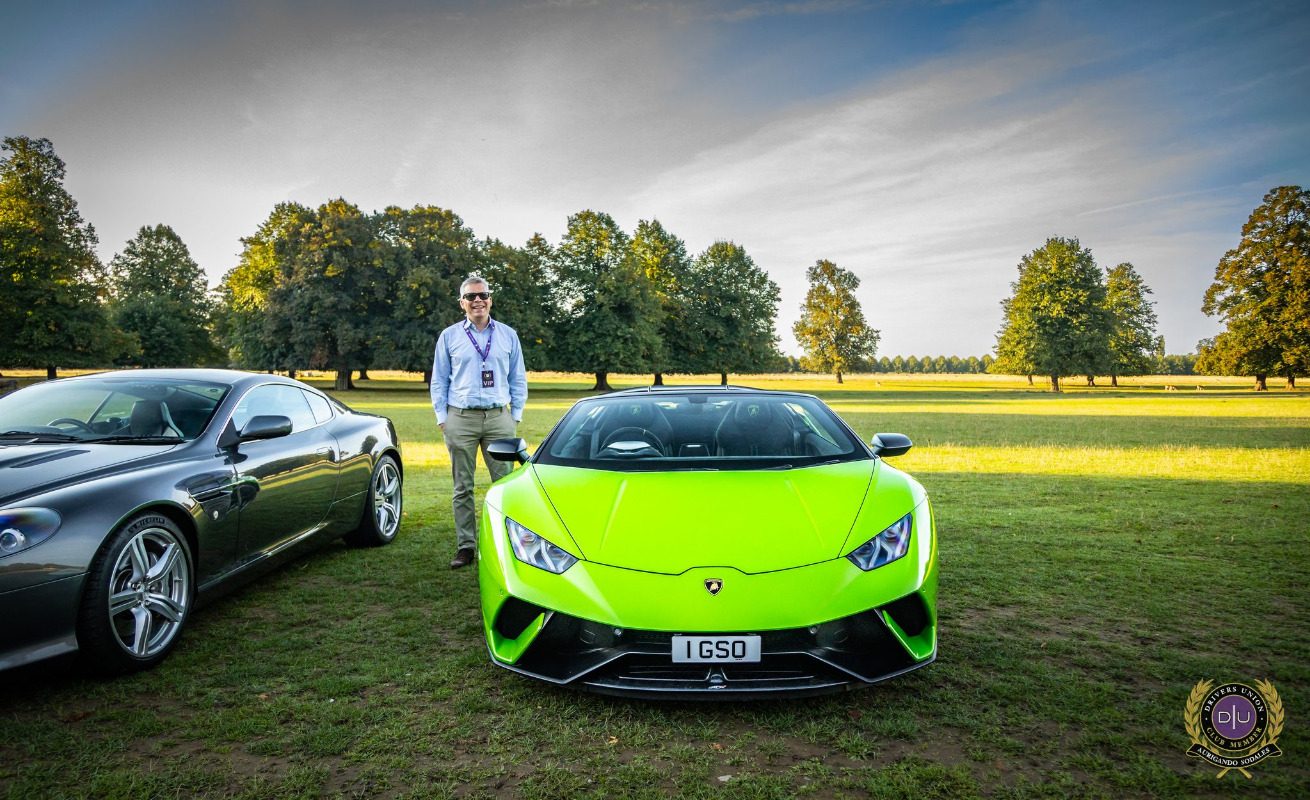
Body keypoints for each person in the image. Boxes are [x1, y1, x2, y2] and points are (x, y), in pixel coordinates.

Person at [431, 275, 527, 569]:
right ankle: (466, 547)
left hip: (499, 418)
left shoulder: (508, 335)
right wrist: (443, 419)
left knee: (505, 485)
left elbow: (518, 377)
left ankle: (507, 547)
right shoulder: (449, 336)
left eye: (482, 295)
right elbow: (439, 380)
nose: (477, 301)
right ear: (462, 303)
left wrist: (515, 415)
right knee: (463, 487)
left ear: (490, 300)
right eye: (471, 296)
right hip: (460, 418)